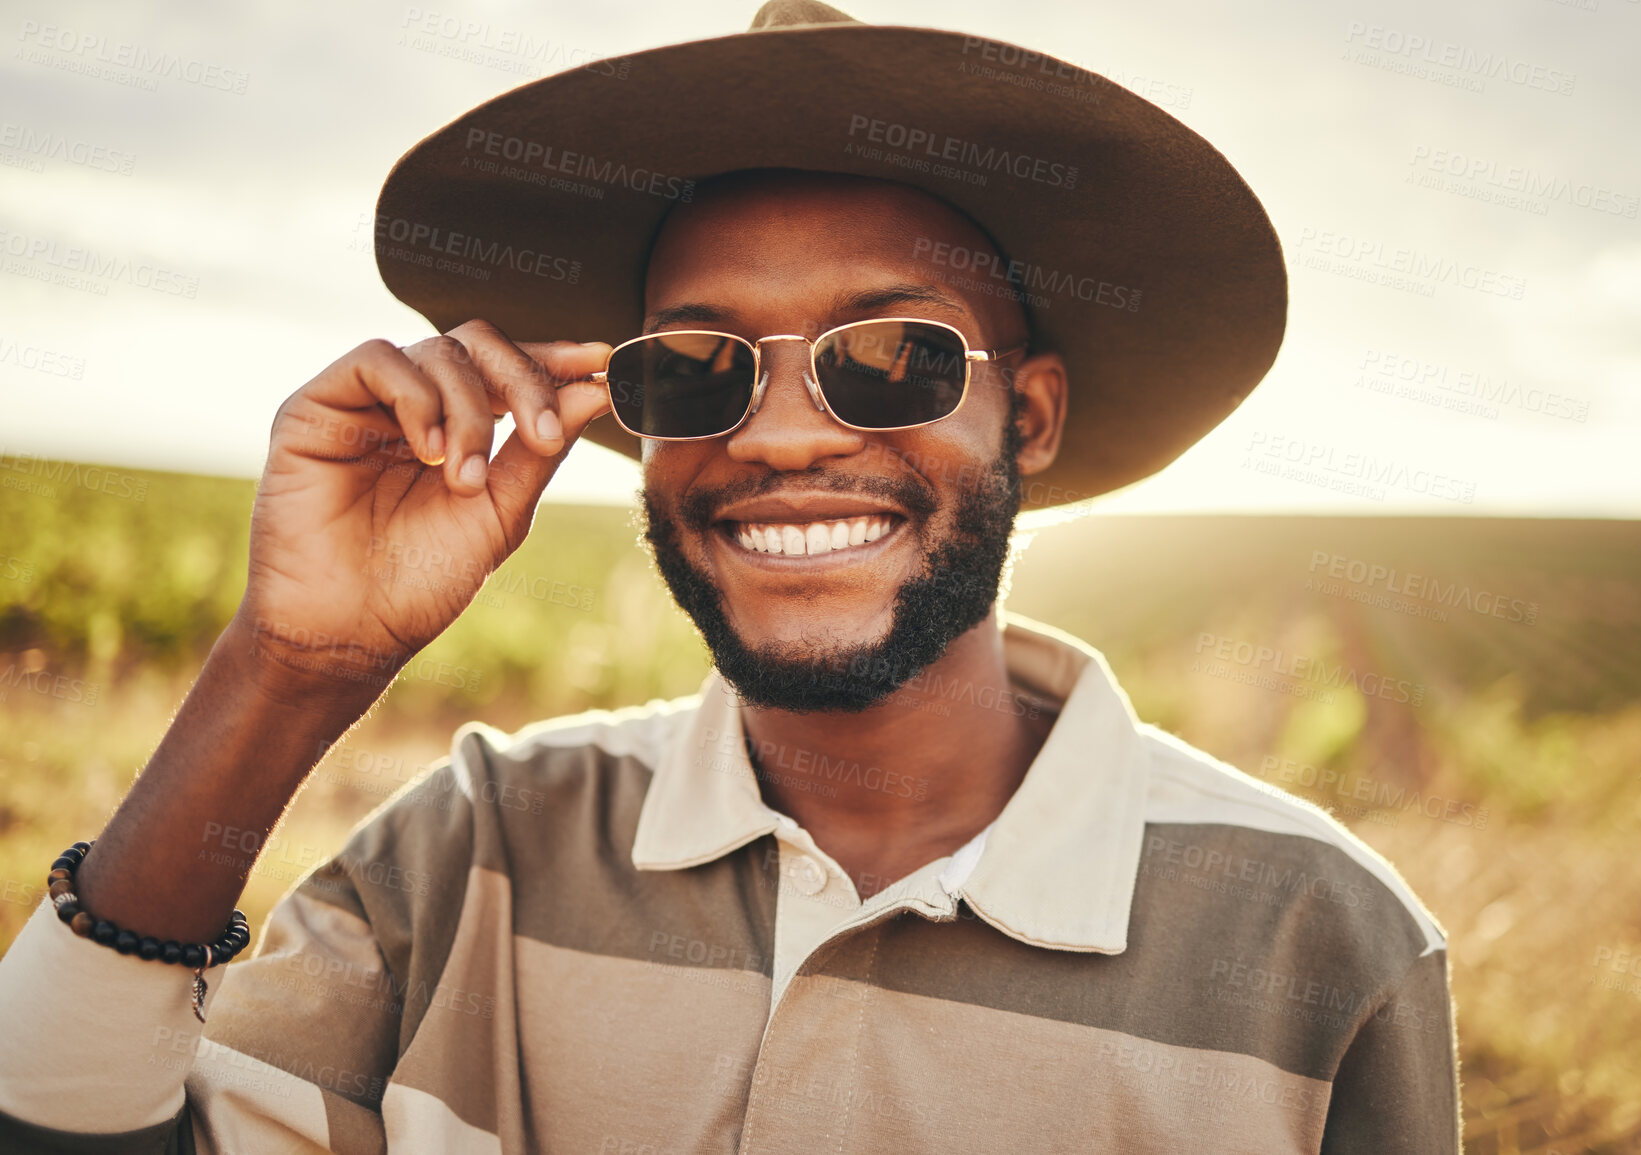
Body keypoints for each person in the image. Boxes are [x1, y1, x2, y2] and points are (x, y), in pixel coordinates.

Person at [0, 2, 1459, 1151]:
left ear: (1029, 415)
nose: (775, 434)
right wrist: (290, 666)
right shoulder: (477, 854)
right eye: (693, 368)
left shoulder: (1317, 937)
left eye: (890, 355)